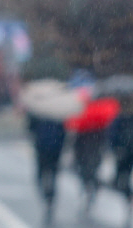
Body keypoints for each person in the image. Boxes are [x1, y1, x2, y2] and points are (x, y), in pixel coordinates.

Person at [21, 79, 87, 225]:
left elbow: (30, 128)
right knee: (53, 173)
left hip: (42, 148)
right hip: (56, 149)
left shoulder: (38, 111)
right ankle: (51, 199)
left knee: (40, 173)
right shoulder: (59, 113)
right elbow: (65, 133)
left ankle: (46, 196)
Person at [109, 95, 133, 223]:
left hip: (122, 152)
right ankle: (129, 197)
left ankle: (128, 196)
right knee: (126, 176)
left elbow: (112, 135)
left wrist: (114, 148)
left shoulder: (120, 118)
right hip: (132, 153)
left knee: (120, 177)